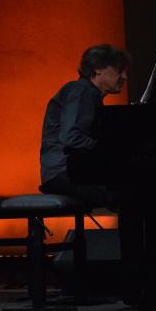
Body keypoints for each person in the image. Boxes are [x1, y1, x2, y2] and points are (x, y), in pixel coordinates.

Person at [39, 43, 130, 206]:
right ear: (98, 69)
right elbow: (72, 138)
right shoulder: (81, 91)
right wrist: (109, 152)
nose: (124, 76)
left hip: (70, 173)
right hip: (64, 174)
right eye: (119, 69)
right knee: (134, 193)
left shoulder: (88, 94)